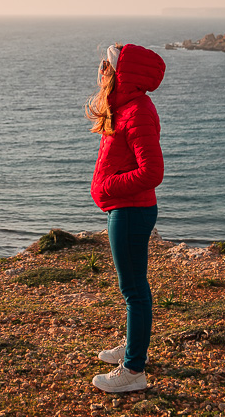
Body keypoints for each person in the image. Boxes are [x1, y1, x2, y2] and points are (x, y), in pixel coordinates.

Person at [86, 43, 166, 393]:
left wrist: (108, 185)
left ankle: (133, 370)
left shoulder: (137, 112)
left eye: (106, 65)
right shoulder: (125, 106)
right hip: (127, 208)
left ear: (121, 73)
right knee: (133, 288)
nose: (101, 70)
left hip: (131, 211)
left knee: (134, 290)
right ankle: (135, 347)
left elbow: (152, 172)